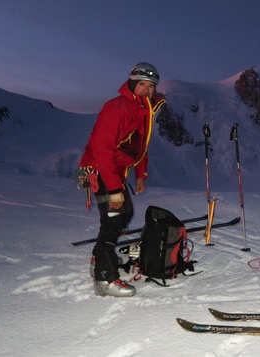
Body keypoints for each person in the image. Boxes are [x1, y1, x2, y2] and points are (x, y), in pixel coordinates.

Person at [79, 62, 166, 297]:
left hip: (112, 170)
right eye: (142, 85)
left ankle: (100, 260)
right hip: (96, 170)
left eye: (150, 86)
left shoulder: (143, 109)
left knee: (124, 214)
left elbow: (140, 145)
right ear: (132, 84)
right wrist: (116, 188)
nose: (146, 90)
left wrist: (141, 175)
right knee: (113, 220)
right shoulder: (118, 107)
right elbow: (102, 149)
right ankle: (105, 279)